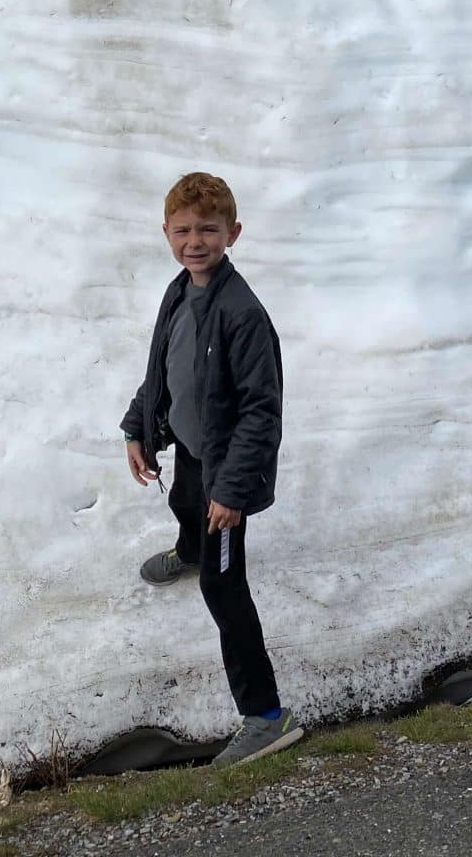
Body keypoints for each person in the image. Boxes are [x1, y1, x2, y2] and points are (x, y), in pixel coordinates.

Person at [120, 171, 299, 767]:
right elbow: (163, 368)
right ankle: (193, 547)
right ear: (167, 233)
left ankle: (265, 716)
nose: (194, 241)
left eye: (208, 230)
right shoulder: (180, 290)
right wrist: (138, 426)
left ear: (233, 233)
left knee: (226, 592)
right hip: (197, 453)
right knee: (184, 503)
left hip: (228, 471)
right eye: (183, 230)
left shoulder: (241, 313)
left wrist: (234, 491)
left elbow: (260, 410)